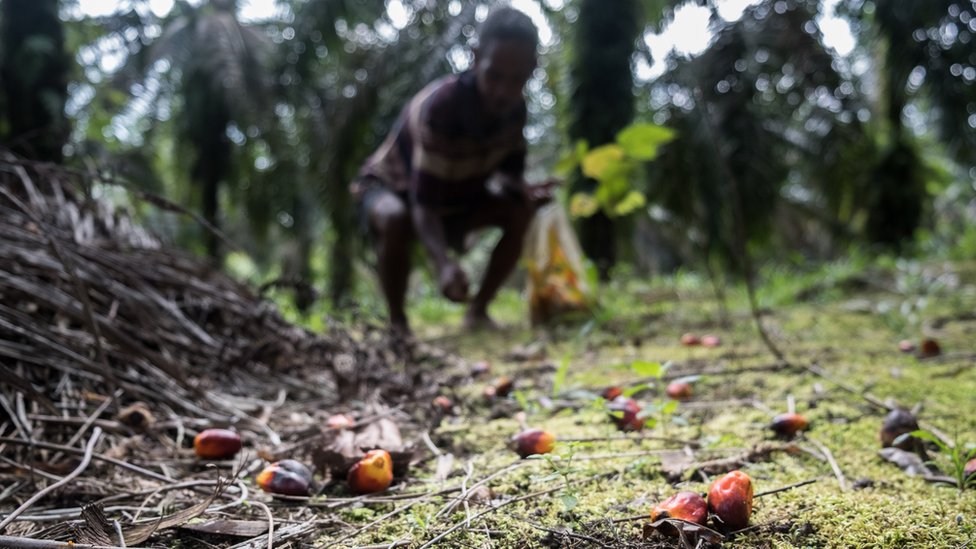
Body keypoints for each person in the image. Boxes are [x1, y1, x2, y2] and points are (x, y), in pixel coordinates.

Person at [352, 6, 555, 334]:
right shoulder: (443, 106)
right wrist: (444, 265)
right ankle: (398, 325)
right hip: (395, 189)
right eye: (494, 76)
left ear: (532, 69)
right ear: (476, 59)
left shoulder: (516, 112)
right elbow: (424, 203)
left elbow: (508, 174)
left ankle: (478, 312)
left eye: (517, 80)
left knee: (521, 211)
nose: (503, 91)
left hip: (456, 197)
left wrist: (524, 190)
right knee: (394, 218)